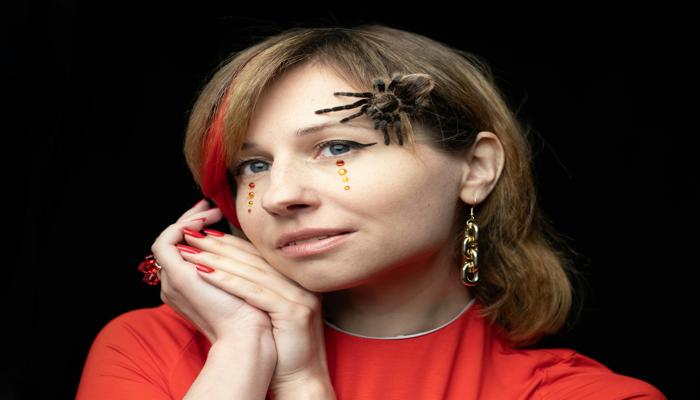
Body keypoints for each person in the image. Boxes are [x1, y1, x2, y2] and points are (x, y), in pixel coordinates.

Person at [76, 24, 666, 399]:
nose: (280, 195)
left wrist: (302, 384)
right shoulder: (149, 349)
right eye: (253, 165)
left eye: (338, 147)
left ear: (476, 168)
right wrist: (242, 351)